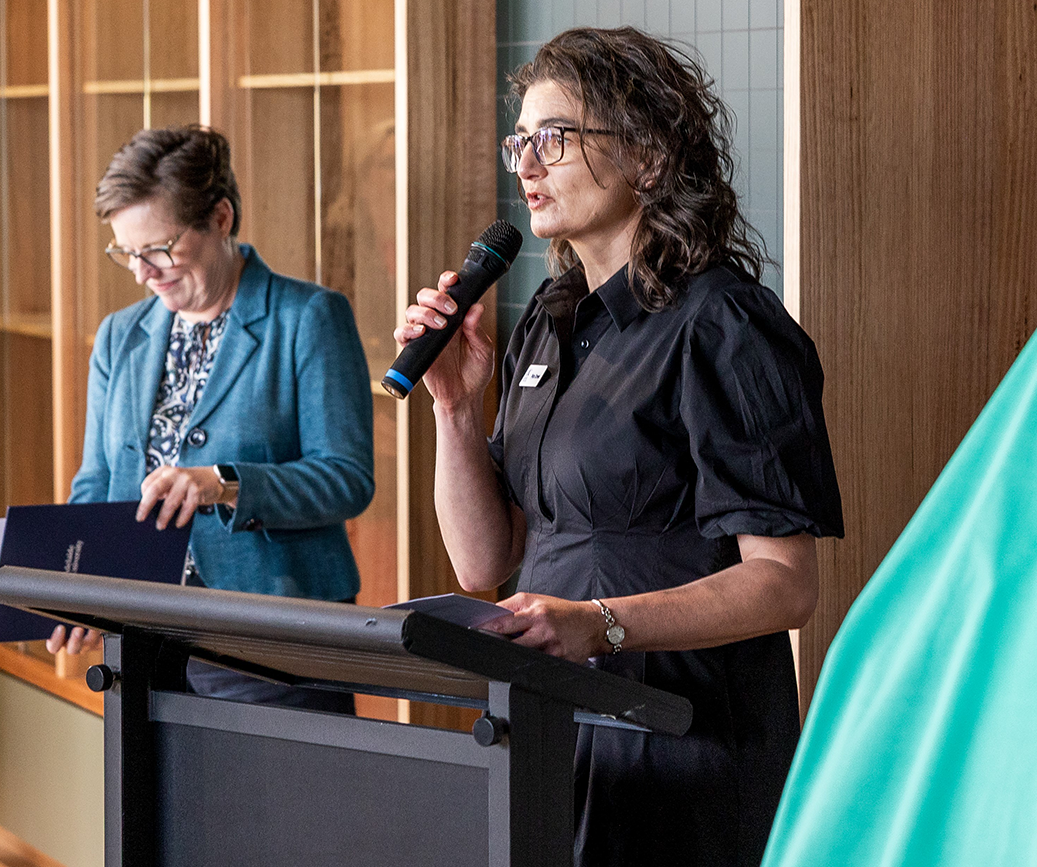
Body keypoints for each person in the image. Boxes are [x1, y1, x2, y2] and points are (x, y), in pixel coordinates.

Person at [395, 27, 844, 867]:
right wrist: (453, 410)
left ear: (647, 155)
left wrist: (598, 624)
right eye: (519, 140)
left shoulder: (724, 324)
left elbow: (784, 585)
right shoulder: (545, 321)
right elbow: (483, 559)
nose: (524, 165)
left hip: (682, 738)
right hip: (553, 721)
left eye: (554, 138)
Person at [48, 125, 374, 711]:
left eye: (159, 248)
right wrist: (75, 592)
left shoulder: (309, 317)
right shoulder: (120, 335)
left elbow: (346, 479)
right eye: (127, 253)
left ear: (220, 218)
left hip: (272, 636)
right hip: (142, 635)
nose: (144, 271)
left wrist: (222, 484)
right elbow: (96, 482)